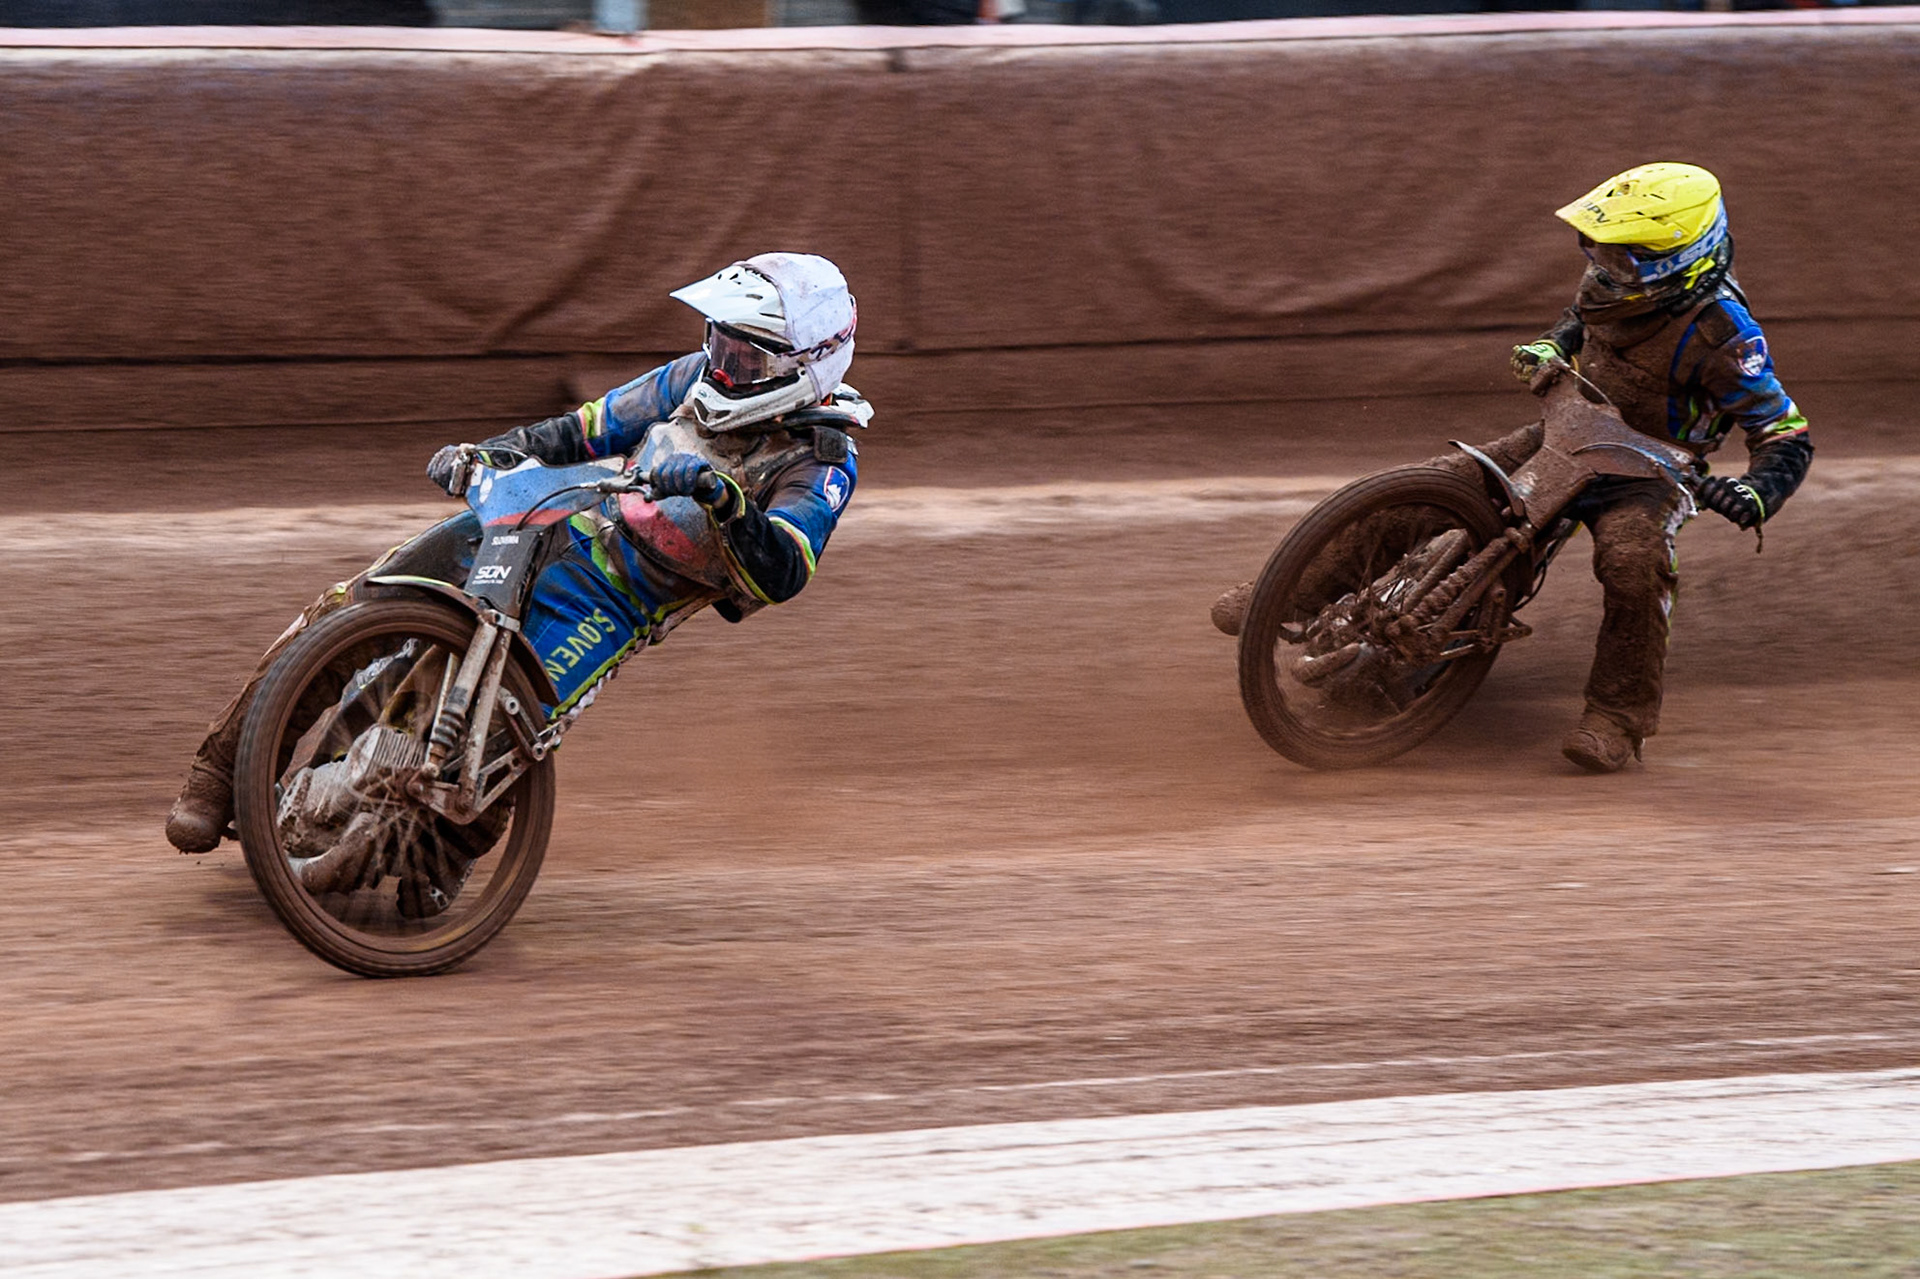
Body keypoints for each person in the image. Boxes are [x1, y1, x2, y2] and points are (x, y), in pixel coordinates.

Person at [166, 252, 868, 866]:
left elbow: (785, 569)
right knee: (358, 604)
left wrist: (725, 500)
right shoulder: (692, 378)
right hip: (549, 516)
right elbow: (587, 427)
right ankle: (219, 771)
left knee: (475, 732)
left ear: (806, 366)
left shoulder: (820, 459)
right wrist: (492, 450)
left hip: (615, 602)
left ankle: (381, 852)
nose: (723, 364)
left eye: (747, 356)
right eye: (719, 341)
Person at [1214, 163, 1811, 773]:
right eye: (1597, 249)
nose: (1605, 265)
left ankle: (1616, 718)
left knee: (1634, 564)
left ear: (1681, 256)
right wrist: (1552, 346)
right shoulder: (1611, 284)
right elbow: (1581, 320)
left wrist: (1756, 492)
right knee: (1428, 487)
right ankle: (1288, 591)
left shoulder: (1725, 334)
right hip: (1565, 431)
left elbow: (1786, 434)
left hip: (1645, 474)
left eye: (1622, 257)